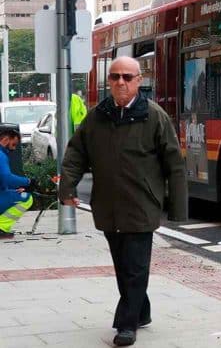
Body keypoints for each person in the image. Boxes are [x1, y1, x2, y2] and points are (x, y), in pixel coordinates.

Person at [58, 56, 187, 347]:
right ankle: (141, 310)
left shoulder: (154, 116)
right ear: (109, 82)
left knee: (135, 266)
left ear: (139, 81)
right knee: (123, 265)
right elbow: (76, 154)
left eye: (127, 77)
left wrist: (178, 209)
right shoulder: (97, 116)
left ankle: (127, 325)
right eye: (115, 77)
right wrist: (67, 188)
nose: (120, 82)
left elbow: (174, 164)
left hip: (142, 206)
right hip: (108, 206)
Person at [0, 125, 32, 240]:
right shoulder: (1, 155)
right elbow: (7, 178)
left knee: (14, 194)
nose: (14, 148)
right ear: (5, 140)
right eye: (13, 144)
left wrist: (12, 190)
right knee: (27, 197)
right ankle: (1, 228)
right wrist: (28, 181)